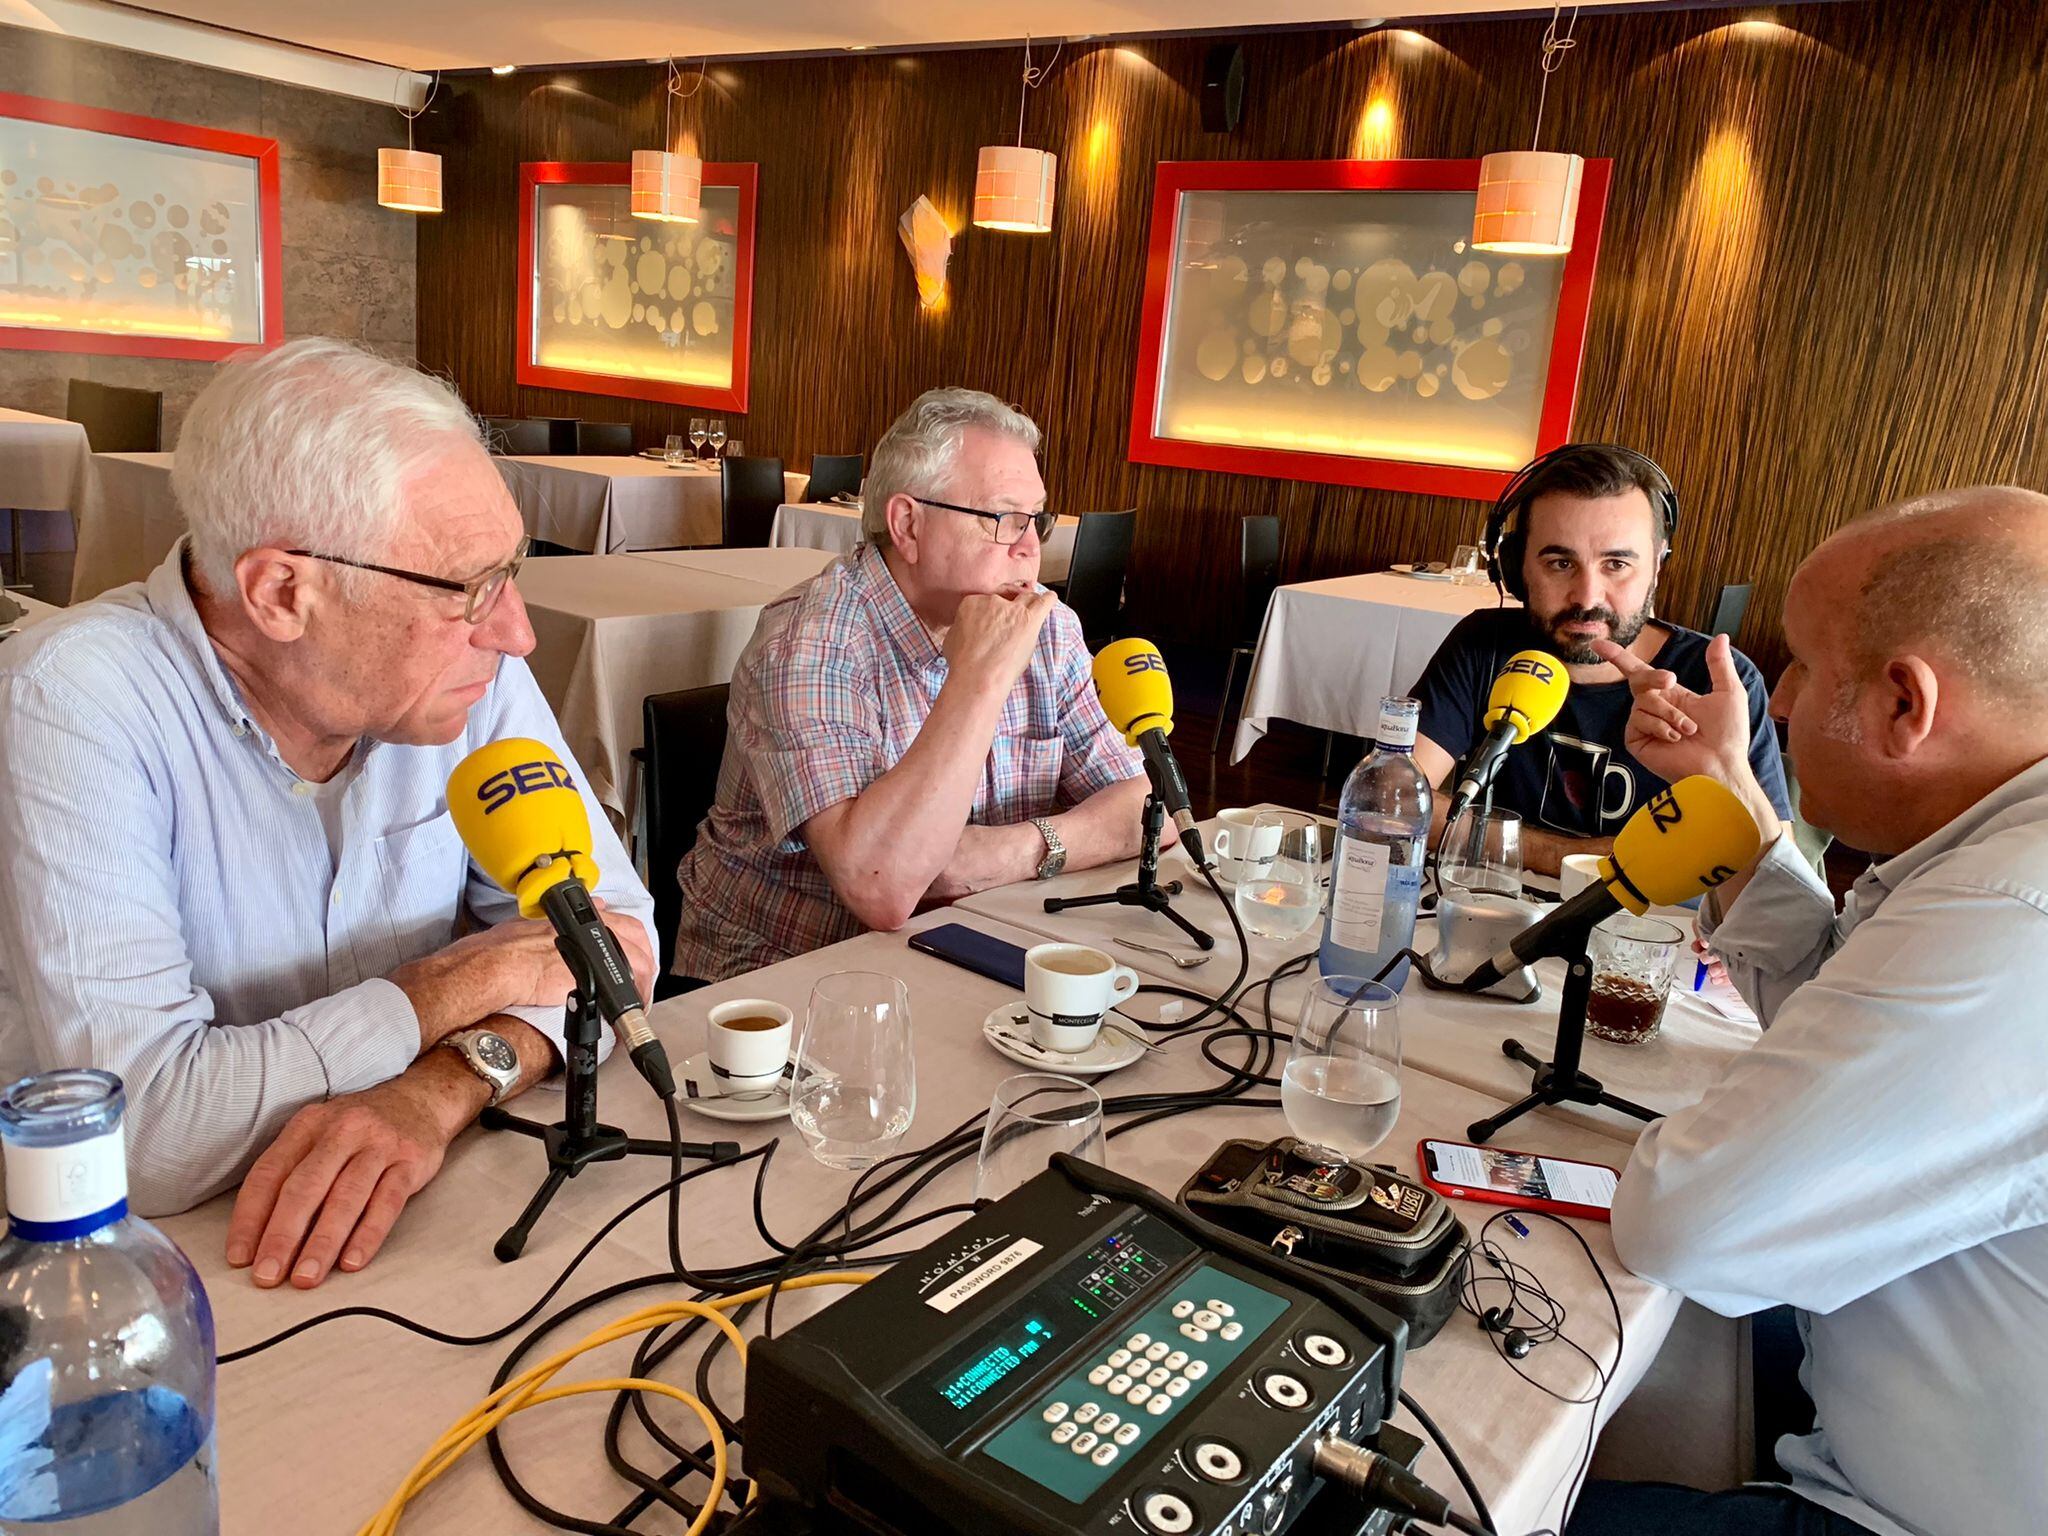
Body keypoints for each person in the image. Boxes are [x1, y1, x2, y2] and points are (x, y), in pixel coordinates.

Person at [0, 338, 655, 1291]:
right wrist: (457, 981)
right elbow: (149, 1138)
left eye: (512, 572)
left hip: (429, 1208)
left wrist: (440, 1086)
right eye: (469, 588)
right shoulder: (72, 699)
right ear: (281, 592)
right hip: (153, 1276)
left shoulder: (469, 677)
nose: (516, 632)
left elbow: (621, 946)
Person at [1569, 486, 2048, 1536]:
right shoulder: (1991, 848)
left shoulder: (2013, 913)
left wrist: (1711, 1137)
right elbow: (1826, 993)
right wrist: (1727, 789)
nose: (1775, 701)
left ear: (1901, 705)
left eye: (1798, 663)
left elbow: (1689, 1221)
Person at [674, 388, 1155, 981]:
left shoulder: (1047, 627)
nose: (1032, 546)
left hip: (978, 941)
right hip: (787, 980)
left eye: (1037, 519)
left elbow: (1147, 808)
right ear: (908, 524)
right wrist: (980, 676)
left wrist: (1006, 852)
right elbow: (882, 888)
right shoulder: (810, 642)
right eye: (1005, 519)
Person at [1411, 444, 1791, 874]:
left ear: (1657, 567)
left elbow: (1772, 881)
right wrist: (1568, 856)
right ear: (1517, 569)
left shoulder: (1719, 680)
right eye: (1560, 563)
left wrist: (1728, 775)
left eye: (1616, 564)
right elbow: (1394, 795)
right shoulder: (1484, 644)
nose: (1587, 597)